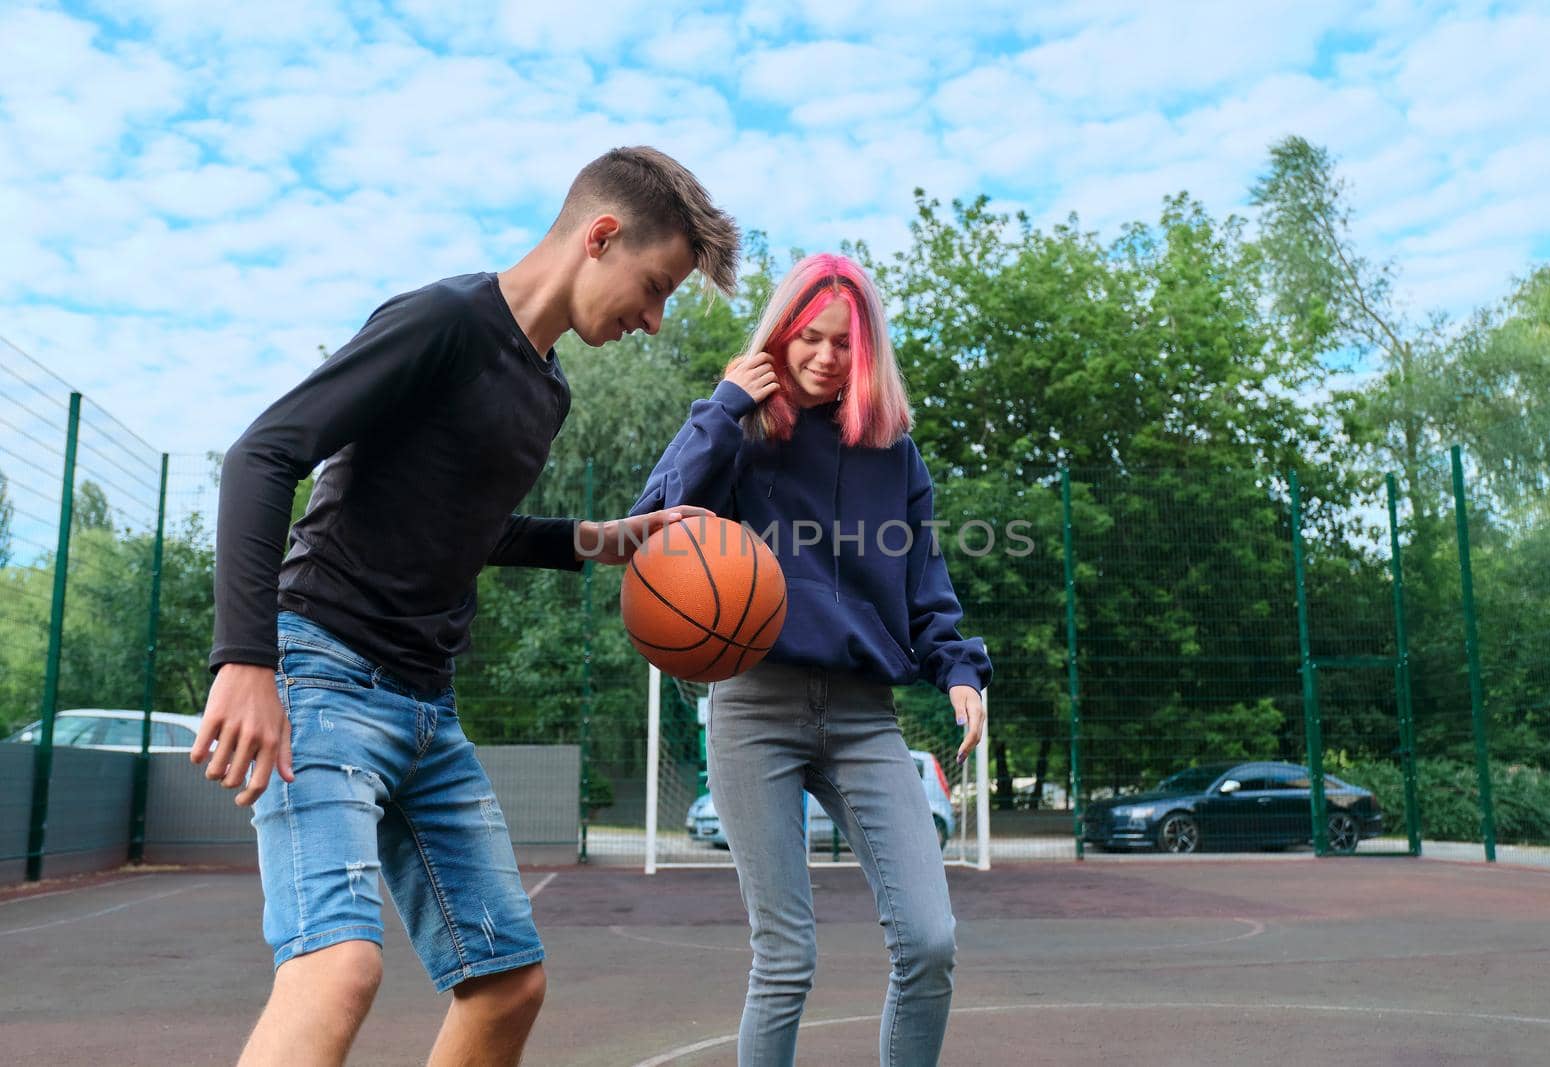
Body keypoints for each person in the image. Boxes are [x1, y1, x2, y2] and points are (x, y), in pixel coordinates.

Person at [192, 146, 738, 1067]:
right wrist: (244, 660)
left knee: (507, 984)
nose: (653, 319)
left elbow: (469, 525)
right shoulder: (441, 321)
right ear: (600, 237)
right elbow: (263, 455)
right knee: (337, 965)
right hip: (320, 672)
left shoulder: (548, 391)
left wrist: (607, 539)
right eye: (654, 287)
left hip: (426, 709)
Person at [631, 252, 992, 1065]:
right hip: (756, 705)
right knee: (787, 957)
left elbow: (925, 587)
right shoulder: (737, 434)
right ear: (780, 336)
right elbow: (650, 522)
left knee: (930, 942)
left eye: (845, 345)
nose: (826, 357)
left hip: (866, 715)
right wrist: (723, 406)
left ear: (867, 355)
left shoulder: (893, 455)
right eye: (810, 338)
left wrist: (960, 671)